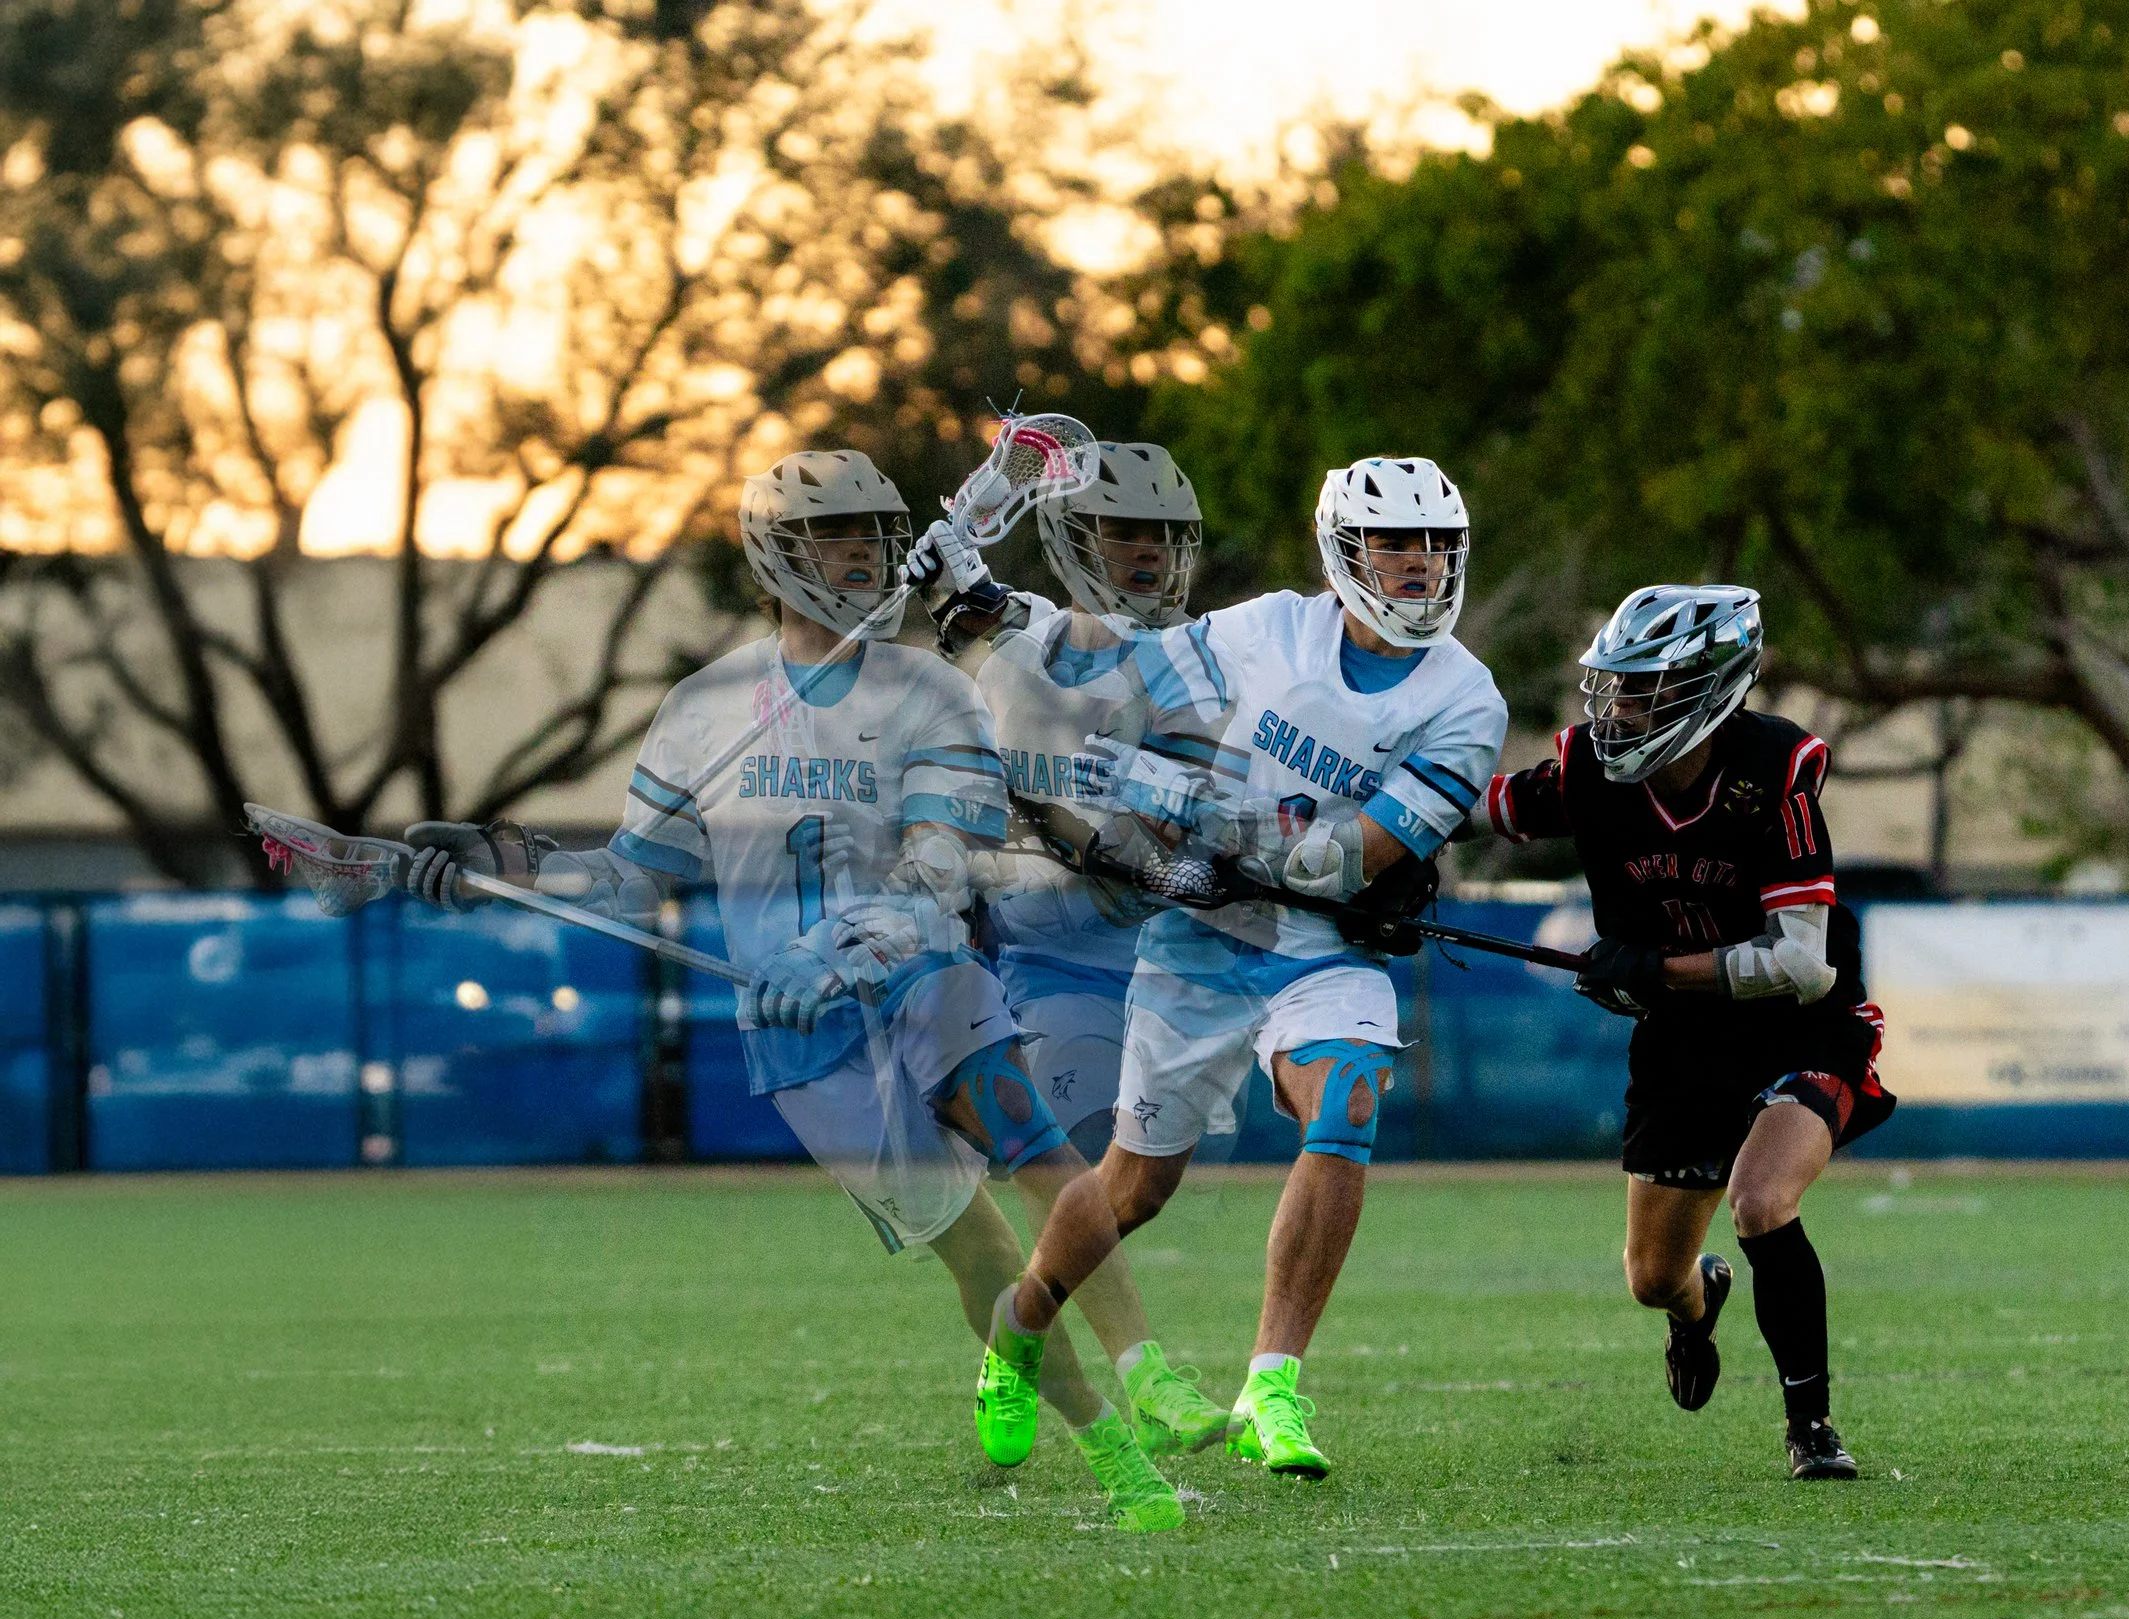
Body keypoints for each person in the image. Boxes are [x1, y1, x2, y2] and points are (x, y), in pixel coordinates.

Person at [398, 450, 1183, 1531]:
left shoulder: (932, 689)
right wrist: (504, 870)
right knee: (973, 1246)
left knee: (1029, 1133)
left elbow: (941, 866)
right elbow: (633, 876)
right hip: (798, 1034)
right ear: (775, 553)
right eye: (832, 536)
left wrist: (838, 948)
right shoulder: (706, 706)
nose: (858, 554)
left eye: (871, 534)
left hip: (920, 977)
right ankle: (1032, 1364)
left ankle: (1136, 1423)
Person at [913, 455, 1506, 1480]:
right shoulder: (1271, 627)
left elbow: (1337, 860)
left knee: (1350, 1096)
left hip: (1324, 940)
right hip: (1201, 940)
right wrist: (986, 605)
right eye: (1394, 544)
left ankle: (1272, 1383)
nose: (1417, 565)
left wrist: (1187, 811)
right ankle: (1020, 1329)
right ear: (1344, 552)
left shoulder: (1467, 699)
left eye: (1435, 546)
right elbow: (1112, 666)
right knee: (1136, 1186)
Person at [1472, 583, 1893, 1481]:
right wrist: (1379, 851)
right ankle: (1698, 1305)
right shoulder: (1589, 770)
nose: (1618, 708)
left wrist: (1657, 971)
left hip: (1801, 1026)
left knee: (1761, 1198)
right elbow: (1480, 806)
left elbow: (1801, 962)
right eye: (1615, 687)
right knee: (1651, 1276)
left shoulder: (1772, 776)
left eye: (1643, 690)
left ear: (1710, 688)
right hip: (1685, 1042)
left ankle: (1811, 1425)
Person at [910, 441, 1233, 1459]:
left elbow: (1163, 849)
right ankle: (1148, 1374)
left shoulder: (1200, 674)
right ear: (1073, 538)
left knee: (1129, 1186)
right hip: (1024, 952)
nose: (1147, 555)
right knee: (1065, 1160)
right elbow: (947, 598)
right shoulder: (1016, 631)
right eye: (1124, 532)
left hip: (1147, 951)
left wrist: (1085, 829)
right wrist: (950, 551)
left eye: (1164, 537)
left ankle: (1016, 1337)